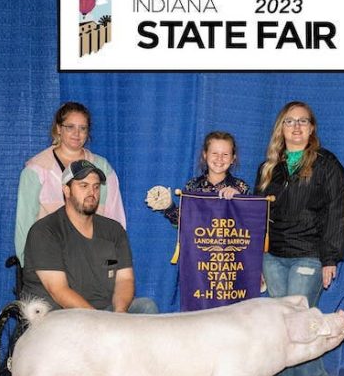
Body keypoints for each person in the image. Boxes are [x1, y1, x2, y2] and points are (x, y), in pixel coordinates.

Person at [255, 101, 344, 376]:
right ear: (280, 128)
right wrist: (256, 259)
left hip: (309, 253)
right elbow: (257, 216)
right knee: (281, 323)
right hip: (273, 257)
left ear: (312, 128)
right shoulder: (269, 168)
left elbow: (337, 211)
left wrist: (330, 257)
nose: (296, 127)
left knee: (303, 321)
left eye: (303, 121)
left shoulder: (326, 164)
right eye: (289, 121)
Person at [22, 159, 157, 314]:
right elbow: (59, 291)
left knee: (146, 307)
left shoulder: (114, 230)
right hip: (61, 316)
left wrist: (119, 315)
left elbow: (124, 280)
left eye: (96, 187)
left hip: (105, 313)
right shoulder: (45, 231)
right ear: (67, 190)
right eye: (83, 186)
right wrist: (98, 322)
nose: (91, 193)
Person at [14, 102, 126, 265]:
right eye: (70, 127)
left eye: (83, 128)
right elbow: (24, 225)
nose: (77, 134)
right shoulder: (36, 170)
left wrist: (114, 264)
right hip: (49, 262)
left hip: (93, 263)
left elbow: (115, 218)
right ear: (58, 128)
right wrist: (27, 266)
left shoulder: (102, 168)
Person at [145, 131, 249, 224]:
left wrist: (240, 200)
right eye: (214, 153)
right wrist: (169, 206)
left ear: (232, 159)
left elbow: (251, 222)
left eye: (225, 154)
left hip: (231, 245)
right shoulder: (192, 186)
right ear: (205, 155)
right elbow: (183, 223)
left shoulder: (240, 187)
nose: (219, 158)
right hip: (198, 245)